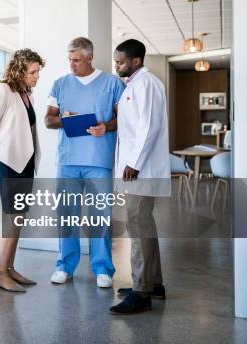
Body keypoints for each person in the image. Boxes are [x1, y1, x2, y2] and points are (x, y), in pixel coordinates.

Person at [45, 37, 124, 288]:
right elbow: (48, 120)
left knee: (101, 216)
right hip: (68, 160)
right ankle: (65, 266)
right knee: (67, 216)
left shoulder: (112, 83)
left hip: (98, 160)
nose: (72, 64)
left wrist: (105, 127)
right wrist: (65, 120)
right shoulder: (60, 84)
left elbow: (123, 119)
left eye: (76, 60)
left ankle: (103, 269)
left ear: (90, 57)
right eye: (69, 59)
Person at [110, 39, 170, 314]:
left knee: (137, 227)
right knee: (144, 225)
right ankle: (153, 283)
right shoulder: (134, 85)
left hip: (140, 170)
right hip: (136, 169)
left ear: (136, 61)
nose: (117, 65)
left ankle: (141, 292)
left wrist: (134, 162)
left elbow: (150, 126)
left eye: (121, 61)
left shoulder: (146, 83)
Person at [0, 48, 44, 292]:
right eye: (32, 72)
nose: (36, 76)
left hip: (25, 161)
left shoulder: (25, 93)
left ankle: (9, 268)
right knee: (11, 216)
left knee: (18, 217)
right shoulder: (3, 91)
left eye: (38, 71)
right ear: (19, 70)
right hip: (6, 161)